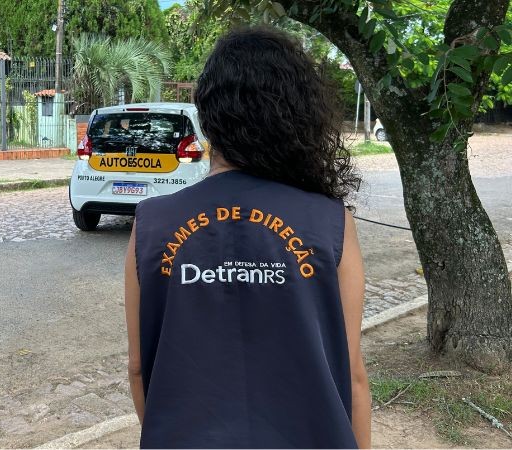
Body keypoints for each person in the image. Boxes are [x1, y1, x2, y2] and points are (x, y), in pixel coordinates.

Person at [124, 27, 370, 449]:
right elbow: (352, 375)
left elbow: (138, 369)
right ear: (298, 116)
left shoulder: (151, 224)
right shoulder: (331, 222)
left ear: (207, 119)